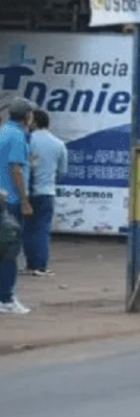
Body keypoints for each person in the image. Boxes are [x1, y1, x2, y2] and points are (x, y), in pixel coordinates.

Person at [22, 110, 66, 277]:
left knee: (27, 229)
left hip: (26, 191)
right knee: (42, 229)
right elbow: (62, 171)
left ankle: (30, 264)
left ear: (34, 122)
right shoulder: (58, 144)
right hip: (46, 191)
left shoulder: (26, 140)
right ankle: (41, 266)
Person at [0, 98, 34, 314]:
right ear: (27, 116)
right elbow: (16, 170)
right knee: (9, 251)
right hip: (10, 201)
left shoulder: (3, 131)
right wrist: (24, 200)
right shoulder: (17, 136)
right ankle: (6, 299)